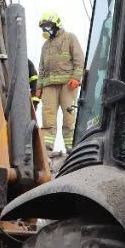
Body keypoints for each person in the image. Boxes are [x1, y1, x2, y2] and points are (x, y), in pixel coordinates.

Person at [37, 11, 85, 152]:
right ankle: (47, 147)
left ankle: (71, 147)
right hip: (49, 86)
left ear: (56, 25)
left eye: (48, 26)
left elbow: (79, 60)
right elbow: (41, 68)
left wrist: (76, 78)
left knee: (69, 116)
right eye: (43, 27)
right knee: (48, 117)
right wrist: (39, 87)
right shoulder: (45, 46)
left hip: (67, 84)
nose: (46, 30)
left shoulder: (70, 38)